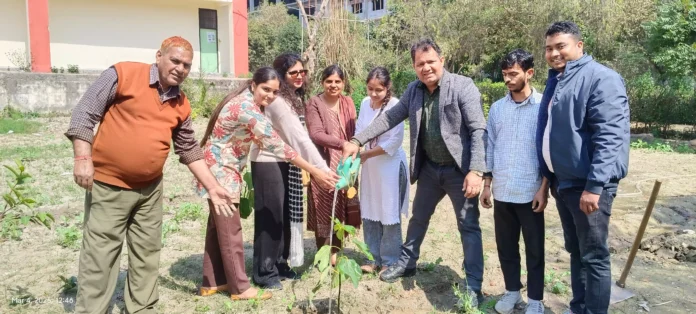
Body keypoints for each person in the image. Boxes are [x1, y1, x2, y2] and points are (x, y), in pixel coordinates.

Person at [64, 36, 236, 314]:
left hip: (150, 190)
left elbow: (188, 149)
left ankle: (142, 307)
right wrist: (83, 157)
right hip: (109, 186)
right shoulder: (123, 74)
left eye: (187, 65)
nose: (180, 68)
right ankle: (92, 309)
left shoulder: (181, 103)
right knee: (100, 255)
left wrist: (213, 187)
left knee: (146, 253)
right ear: (159, 56)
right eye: (175, 61)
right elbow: (84, 113)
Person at [342, 38, 487, 306]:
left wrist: (476, 170)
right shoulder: (414, 90)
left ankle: (473, 285)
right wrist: (357, 140)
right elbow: (389, 118)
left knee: (468, 226)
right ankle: (407, 263)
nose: (426, 67)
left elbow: (478, 129)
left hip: (460, 171)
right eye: (420, 63)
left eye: (431, 61)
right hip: (431, 169)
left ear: (441, 60)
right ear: (414, 66)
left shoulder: (462, 86)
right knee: (418, 219)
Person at [194, 67, 338, 301]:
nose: (270, 96)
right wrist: (315, 171)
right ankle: (240, 288)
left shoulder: (244, 101)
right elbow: (280, 146)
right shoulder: (248, 109)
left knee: (216, 228)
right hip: (222, 173)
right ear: (253, 85)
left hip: (218, 168)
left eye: (274, 91)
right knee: (231, 231)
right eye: (265, 89)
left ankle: (212, 281)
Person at [536, 21, 630, 314]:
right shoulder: (557, 80)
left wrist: (594, 186)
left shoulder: (602, 78)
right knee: (576, 251)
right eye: (549, 48)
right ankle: (578, 308)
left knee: (594, 256)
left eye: (560, 46)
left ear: (579, 45)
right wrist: (548, 179)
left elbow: (610, 136)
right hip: (563, 184)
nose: (554, 53)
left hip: (587, 186)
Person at [249, 53, 334, 289]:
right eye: (293, 72)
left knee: (284, 215)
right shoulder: (278, 102)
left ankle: (280, 264)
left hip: (285, 162)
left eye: (302, 72)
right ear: (280, 76)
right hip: (268, 162)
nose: (299, 76)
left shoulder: (291, 99)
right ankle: (264, 272)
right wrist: (322, 170)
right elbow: (300, 139)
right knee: (270, 218)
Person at [480, 49, 548, 314]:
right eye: (505, 75)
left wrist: (544, 188)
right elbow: (490, 146)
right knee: (506, 246)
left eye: (513, 74)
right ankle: (511, 293)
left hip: (531, 192)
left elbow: (547, 149)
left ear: (529, 73)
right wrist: (487, 184)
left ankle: (535, 299)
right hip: (503, 190)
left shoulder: (544, 106)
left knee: (534, 249)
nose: (508, 80)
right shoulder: (497, 109)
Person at [354, 67, 409, 275]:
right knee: (370, 209)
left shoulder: (395, 106)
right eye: (370, 89)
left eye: (379, 90)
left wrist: (366, 154)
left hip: (389, 166)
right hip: (370, 167)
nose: (374, 94)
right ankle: (373, 257)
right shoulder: (364, 104)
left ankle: (390, 259)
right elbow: (360, 131)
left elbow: (395, 141)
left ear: (387, 88)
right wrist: (358, 149)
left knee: (388, 210)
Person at [306, 64, 361, 266]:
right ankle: (323, 253)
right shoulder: (314, 103)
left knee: (342, 204)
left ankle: (337, 252)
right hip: (323, 161)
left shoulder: (347, 102)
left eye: (338, 81)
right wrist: (342, 144)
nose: (333, 85)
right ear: (322, 82)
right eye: (329, 81)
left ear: (343, 83)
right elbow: (316, 134)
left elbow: (354, 130)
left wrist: (352, 150)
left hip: (346, 163)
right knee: (324, 205)